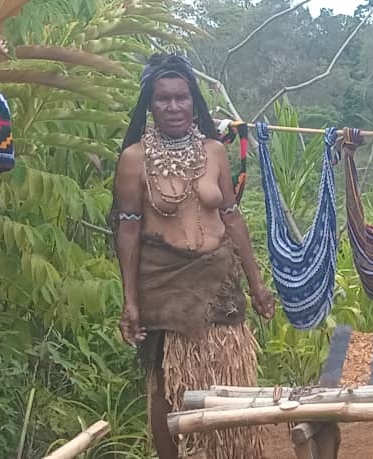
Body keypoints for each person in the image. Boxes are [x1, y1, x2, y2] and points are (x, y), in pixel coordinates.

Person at [111, 53, 274, 459]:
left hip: (218, 279)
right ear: (150, 104)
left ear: (193, 101)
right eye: (163, 99)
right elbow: (127, 229)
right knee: (167, 387)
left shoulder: (214, 152)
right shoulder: (134, 159)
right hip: (163, 286)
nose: (173, 107)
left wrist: (257, 284)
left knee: (230, 377)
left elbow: (233, 219)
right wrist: (130, 302)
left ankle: (232, 453)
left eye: (181, 98)